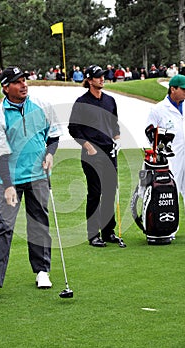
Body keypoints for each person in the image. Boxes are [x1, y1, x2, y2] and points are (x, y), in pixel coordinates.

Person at [0, 66, 62, 299]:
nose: (24, 84)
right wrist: (7, 185)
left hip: (38, 176)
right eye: (17, 82)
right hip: (12, 179)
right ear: (6, 87)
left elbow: (53, 136)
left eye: (24, 80)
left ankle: (42, 271)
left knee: (38, 223)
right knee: (4, 228)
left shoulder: (41, 106)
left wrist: (50, 153)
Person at [68, 65, 121, 247]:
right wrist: (88, 146)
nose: (102, 79)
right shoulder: (81, 102)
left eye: (102, 76)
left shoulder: (110, 101)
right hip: (92, 153)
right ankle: (93, 235)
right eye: (98, 77)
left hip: (109, 151)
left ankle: (108, 232)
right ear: (89, 80)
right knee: (95, 193)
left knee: (109, 192)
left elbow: (114, 124)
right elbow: (73, 128)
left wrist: (117, 139)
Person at [146, 74, 185, 235]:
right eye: (183, 89)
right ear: (173, 89)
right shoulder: (158, 109)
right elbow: (150, 133)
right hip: (172, 157)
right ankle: (169, 228)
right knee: (171, 191)